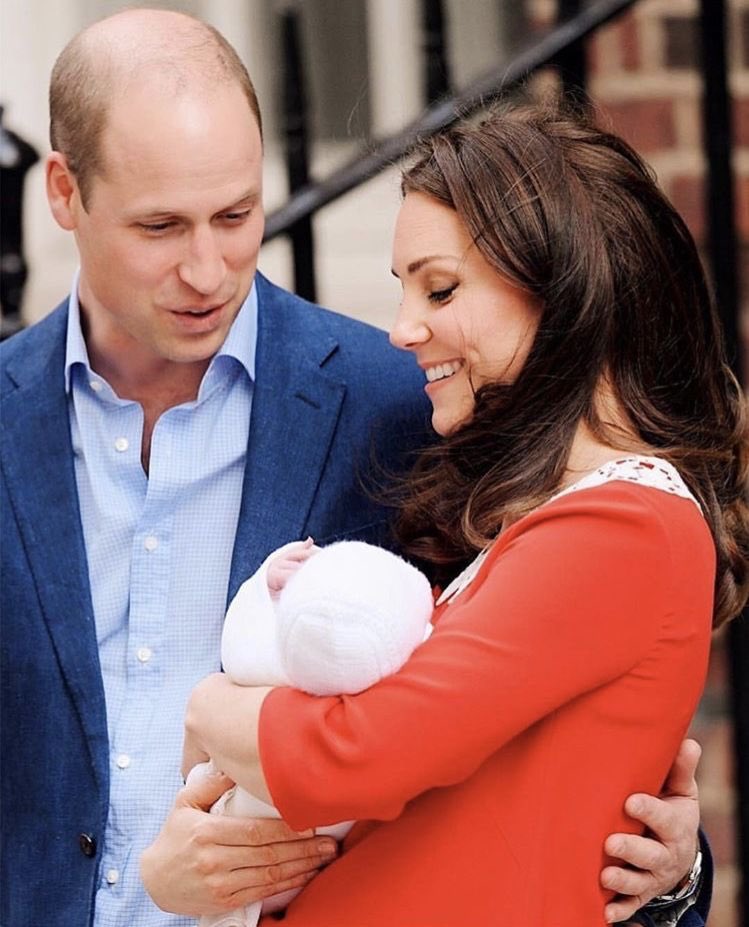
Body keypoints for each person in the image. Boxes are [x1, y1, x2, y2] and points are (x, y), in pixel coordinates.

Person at [0, 7, 708, 925]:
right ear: (64, 192)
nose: (209, 269)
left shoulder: (412, 405)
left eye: (236, 213)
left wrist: (669, 879)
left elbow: (572, 735)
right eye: (161, 226)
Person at [150, 99, 748, 927]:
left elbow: (362, 750)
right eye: (404, 291)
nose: (402, 330)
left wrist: (208, 705)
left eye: (440, 287)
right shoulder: (561, 521)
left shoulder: (627, 527)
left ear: (561, 284)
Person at [190, 538, 433, 927]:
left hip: (261, 846)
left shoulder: (270, 664)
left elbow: (240, 649)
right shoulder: (406, 664)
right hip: (255, 844)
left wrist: (264, 583)